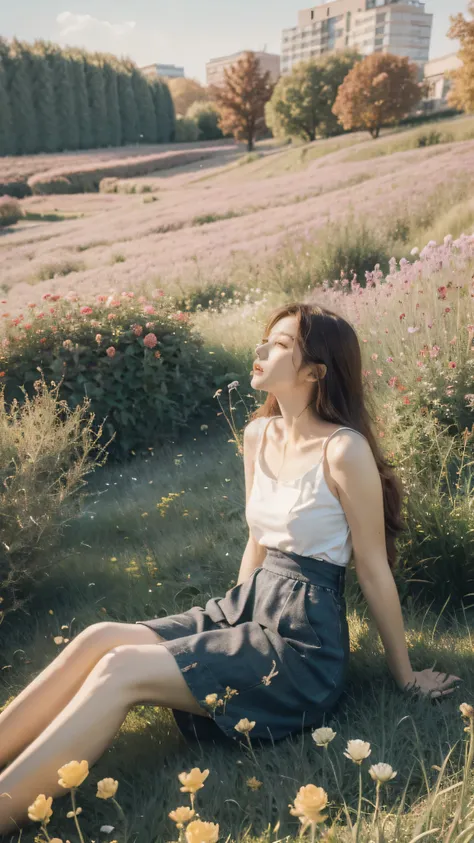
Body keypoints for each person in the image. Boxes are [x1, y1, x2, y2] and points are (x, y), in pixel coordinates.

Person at [0, 301, 463, 833]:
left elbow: (374, 571)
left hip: (302, 643)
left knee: (120, 669)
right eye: (266, 339)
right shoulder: (257, 435)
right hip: (249, 606)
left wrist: (404, 676)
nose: (261, 350)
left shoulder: (344, 451)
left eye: (281, 345)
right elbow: (257, 541)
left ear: (316, 371)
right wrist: (231, 626)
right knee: (98, 637)